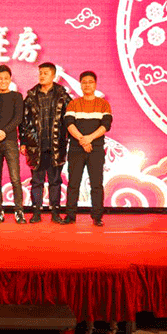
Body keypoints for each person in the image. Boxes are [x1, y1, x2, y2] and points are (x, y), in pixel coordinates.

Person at [19, 62, 72, 224]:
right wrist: (24, 142)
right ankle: (36, 212)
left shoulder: (63, 96)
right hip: (36, 146)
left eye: (45, 73)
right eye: (40, 73)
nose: (42, 76)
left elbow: (70, 119)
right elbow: (24, 121)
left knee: (55, 181)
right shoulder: (31, 96)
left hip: (56, 145)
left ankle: (55, 212)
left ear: (53, 76)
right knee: (37, 181)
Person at [62, 71, 112, 227]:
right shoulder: (73, 104)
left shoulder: (103, 104)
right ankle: (70, 215)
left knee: (96, 183)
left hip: (95, 148)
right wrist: (82, 140)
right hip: (76, 148)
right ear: (80, 85)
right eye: (84, 82)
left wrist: (89, 139)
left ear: (95, 84)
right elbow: (69, 124)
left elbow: (106, 125)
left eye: (90, 82)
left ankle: (97, 216)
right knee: (73, 183)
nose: (87, 85)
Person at [0, 65, 26, 224]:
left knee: (15, 178)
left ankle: (19, 211)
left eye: (6, 78)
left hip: (10, 142)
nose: (3, 81)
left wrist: (2, 133)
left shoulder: (17, 96)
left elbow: (18, 119)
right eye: (0, 79)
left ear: (10, 80)